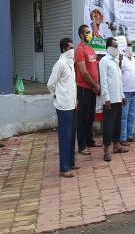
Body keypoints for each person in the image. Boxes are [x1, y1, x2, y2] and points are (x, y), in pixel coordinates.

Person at [47, 38, 77, 178]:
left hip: (72, 104)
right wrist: (56, 96)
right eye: (70, 48)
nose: (72, 50)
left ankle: (70, 162)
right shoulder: (60, 64)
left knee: (71, 136)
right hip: (63, 106)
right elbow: (50, 83)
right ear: (64, 49)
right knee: (65, 136)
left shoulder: (70, 63)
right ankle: (64, 168)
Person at [99, 38, 128, 161]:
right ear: (108, 47)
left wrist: (122, 96)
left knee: (117, 124)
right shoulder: (104, 61)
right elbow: (103, 81)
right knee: (108, 126)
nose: (117, 48)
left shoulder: (115, 61)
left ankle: (116, 146)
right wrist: (106, 98)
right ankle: (106, 150)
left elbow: (119, 81)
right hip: (109, 100)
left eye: (117, 46)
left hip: (118, 98)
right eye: (114, 46)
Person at [75, 25, 101, 155]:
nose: (89, 34)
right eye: (87, 32)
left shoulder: (91, 49)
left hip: (92, 88)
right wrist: (94, 85)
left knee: (91, 117)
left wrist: (97, 84)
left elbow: (95, 68)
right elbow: (84, 73)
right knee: (82, 118)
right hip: (84, 88)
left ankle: (90, 140)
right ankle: (82, 145)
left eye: (89, 32)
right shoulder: (79, 50)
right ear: (81, 35)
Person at [120, 38, 135, 145]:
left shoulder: (134, 59)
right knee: (124, 116)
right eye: (128, 44)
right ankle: (122, 138)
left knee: (131, 114)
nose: (130, 46)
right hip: (125, 91)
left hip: (133, 91)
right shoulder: (121, 59)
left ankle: (129, 135)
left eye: (131, 44)